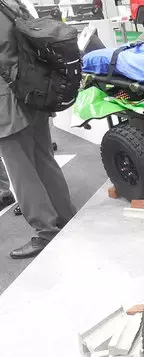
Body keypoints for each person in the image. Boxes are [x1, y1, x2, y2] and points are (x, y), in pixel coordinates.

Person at [0, 0, 76, 259]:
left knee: (21, 171)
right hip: (32, 91)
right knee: (44, 158)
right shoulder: (11, 4)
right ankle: (65, 216)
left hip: (6, 102)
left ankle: (46, 231)